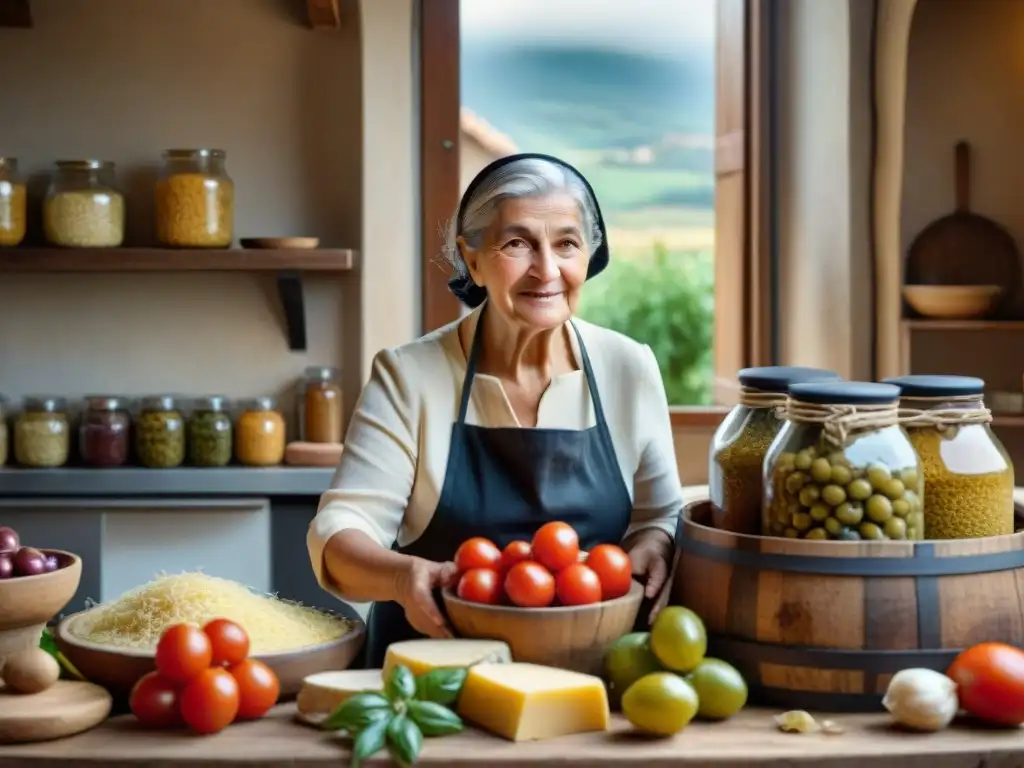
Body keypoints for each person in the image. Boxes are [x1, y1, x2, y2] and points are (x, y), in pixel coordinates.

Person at [307, 153, 684, 668]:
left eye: (566, 244)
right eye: (517, 244)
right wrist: (400, 576)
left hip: (586, 673)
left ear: (588, 256)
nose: (546, 270)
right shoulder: (409, 375)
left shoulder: (629, 367)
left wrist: (656, 544)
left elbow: (659, 514)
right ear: (473, 258)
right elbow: (342, 528)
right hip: (432, 671)